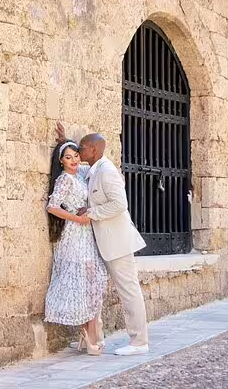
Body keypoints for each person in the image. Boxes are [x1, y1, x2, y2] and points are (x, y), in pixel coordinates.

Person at [56, 124, 149, 356]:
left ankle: (139, 342)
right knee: (94, 290)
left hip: (117, 243)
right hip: (101, 244)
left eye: (82, 148)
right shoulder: (92, 169)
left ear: (94, 150)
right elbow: (72, 165)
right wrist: (65, 141)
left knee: (129, 291)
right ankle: (95, 339)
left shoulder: (107, 171)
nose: (79, 151)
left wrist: (90, 213)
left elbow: (120, 205)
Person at [44, 140, 108, 356]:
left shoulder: (80, 173)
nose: (73, 160)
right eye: (68, 157)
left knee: (94, 278)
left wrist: (65, 138)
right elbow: (52, 206)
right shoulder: (64, 180)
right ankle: (89, 334)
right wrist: (76, 218)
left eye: (75, 156)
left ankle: (90, 331)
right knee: (82, 281)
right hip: (73, 234)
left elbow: (90, 162)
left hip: (87, 235)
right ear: (61, 161)